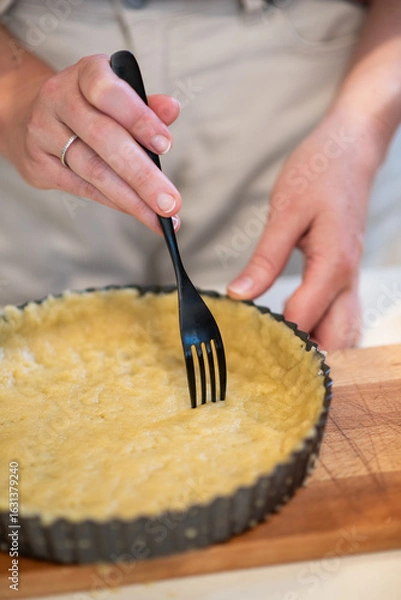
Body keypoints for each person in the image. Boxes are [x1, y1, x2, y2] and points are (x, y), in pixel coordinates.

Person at [0, 0, 400, 350]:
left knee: (292, 335)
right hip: (43, 76)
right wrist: (16, 96)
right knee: (40, 359)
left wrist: (358, 136)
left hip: (304, 76)